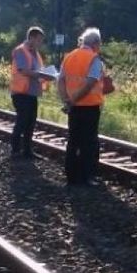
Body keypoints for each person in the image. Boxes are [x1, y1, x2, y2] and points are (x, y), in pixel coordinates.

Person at [57, 27, 106, 186]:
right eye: (100, 43)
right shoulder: (94, 59)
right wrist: (73, 100)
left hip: (74, 108)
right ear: (95, 43)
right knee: (90, 142)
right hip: (89, 107)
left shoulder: (69, 56)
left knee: (73, 141)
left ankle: (71, 176)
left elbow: (61, 80)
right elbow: (90, 83)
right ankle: (88, 176)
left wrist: (66, 100)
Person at [10, 26, 55, 160]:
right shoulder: (20, 51)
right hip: (21, 92)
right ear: (31, 38)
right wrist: (41, 74)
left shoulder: (35, 53)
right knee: (22, 121)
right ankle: (15, 151)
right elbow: (23, 70)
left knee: (31, 122)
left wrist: (47, 75)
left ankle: (27, 151)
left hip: (32, 92)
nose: (40, 43)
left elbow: (37, 70)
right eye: (39, 40)